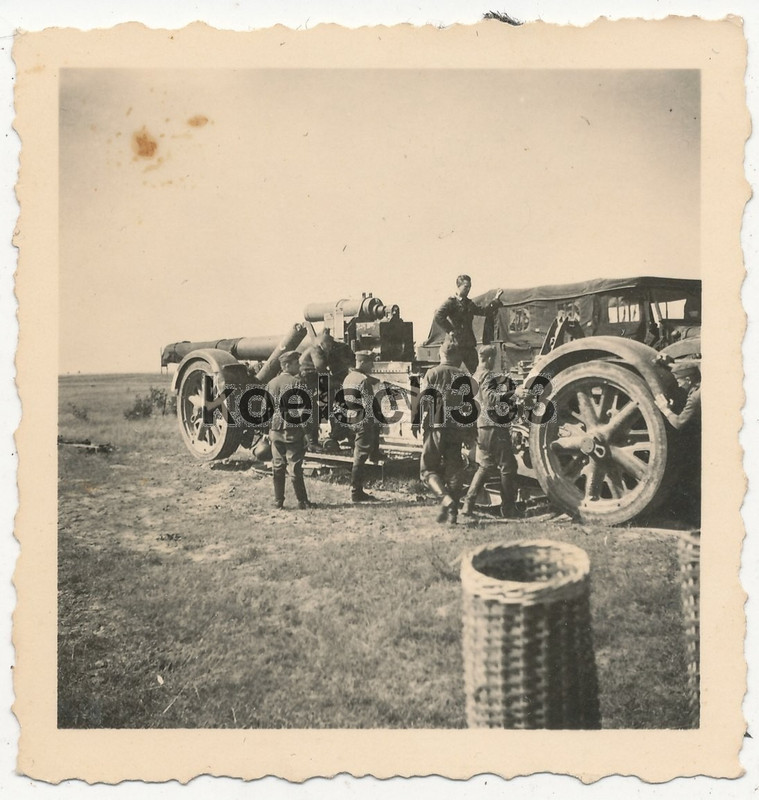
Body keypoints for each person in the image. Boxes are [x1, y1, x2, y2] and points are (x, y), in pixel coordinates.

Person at [414, 338, 476, 524]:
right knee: (455, 469)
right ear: (457, 356)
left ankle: (445, 499)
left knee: (428, 470)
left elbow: (422, 402)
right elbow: (469, 407)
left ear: (441, 354)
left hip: (435, 427)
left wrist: (416, 423)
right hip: (456, 429)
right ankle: (453, 514)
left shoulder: (432, 373)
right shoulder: (463, 377)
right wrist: (469, 431)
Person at [460, 345, 521, 518]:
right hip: (494, 426)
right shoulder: (486, 375)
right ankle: (508, 508)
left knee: (485, 465)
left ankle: (468, 504)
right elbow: (490, 399)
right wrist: (513, 393)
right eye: (493, 359)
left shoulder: (474, 376)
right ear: (487, 359)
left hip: (482, 426)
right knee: (508, 466)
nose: (494, 362)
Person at [267, 350, 314, 510]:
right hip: (292, 431)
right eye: (296, 363)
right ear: (287, 365)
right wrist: (308, 433)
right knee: (294, 467)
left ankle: (278, 501)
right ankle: (302, 501)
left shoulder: (272, 383)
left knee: (277, 466)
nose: (300, 365)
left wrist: (270, 430)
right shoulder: (297, 383)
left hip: (275, 430)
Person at [430, 275, 504, 373]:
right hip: (454, 345)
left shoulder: (469, 303)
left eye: (470, 287)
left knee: (478, 372)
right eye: (466, 287)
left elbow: (484, 311)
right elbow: (438, 316)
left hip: (468, 345)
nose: (468, 289)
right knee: (451, 372)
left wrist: (496, 299)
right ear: (458, 286)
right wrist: (450, 330)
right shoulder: (451, 302)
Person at [299, 329, 355, 449]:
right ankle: (313, 442)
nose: (330, 347)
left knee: (329, 407)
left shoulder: (317, 348)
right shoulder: (316, 350)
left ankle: (335, 435)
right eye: (328, 345)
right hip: (310, 384)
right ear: (322, 344)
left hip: (315, 383)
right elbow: (320, 368)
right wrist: (337, 382)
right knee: (314, 412)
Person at [342, 351, 382, 503]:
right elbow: (369, 403)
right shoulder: (363, 380)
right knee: (360, 456)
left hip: (351, 419)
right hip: (363, 420)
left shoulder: (348, 378)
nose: (372, 365)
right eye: (370, 362)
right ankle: (356, 491)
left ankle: (356, 490)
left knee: (357, 454)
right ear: (363, 362)